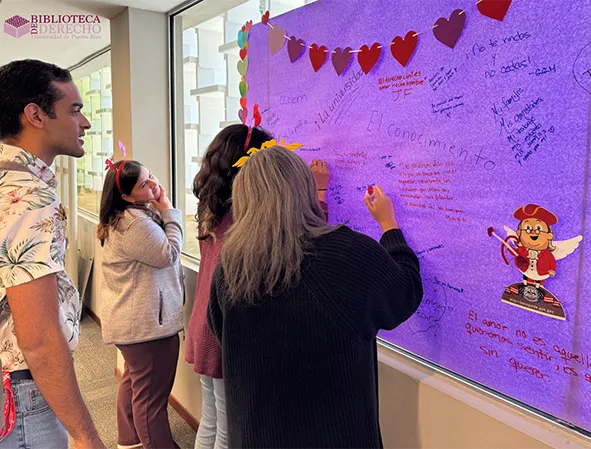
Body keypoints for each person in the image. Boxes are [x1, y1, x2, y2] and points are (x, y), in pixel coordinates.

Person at [207, 146, 423, 449]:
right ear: (305, 190)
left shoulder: (231, 265)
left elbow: (221, 332)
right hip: (336, 434)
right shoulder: (343, 252)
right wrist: (389, 226)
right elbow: (404, 293)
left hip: (256, 433)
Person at [185, 124, 330, 449]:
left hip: (205, 323)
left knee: (211, 420)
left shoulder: (213, 204)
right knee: (227, 430)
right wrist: (318, 193)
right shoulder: (246, 212)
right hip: (226, 331)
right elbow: (304, 236)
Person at [0, 59, 106, 449]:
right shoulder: (28, 196)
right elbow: (39, 337)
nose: (85, 123)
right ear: (35, 115)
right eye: (74, 110)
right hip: (22, 391)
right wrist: (86, 435)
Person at [97, 159, 185, 449]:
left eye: (151, 176)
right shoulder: (134, 224)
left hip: (133, 322)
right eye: (144, 184)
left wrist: (156, 205)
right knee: (152, 403)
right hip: (146, 327)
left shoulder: (123, 216)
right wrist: (169, 211)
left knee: (135, 382)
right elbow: (169, 253)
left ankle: (130, 440)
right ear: (126, 196)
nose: (154, 184)